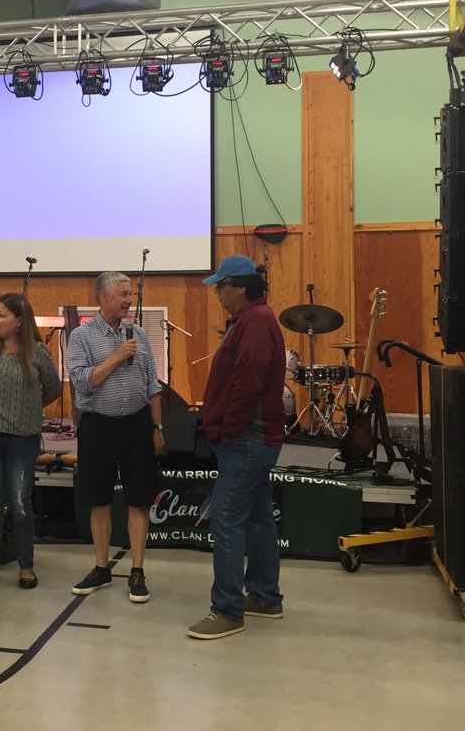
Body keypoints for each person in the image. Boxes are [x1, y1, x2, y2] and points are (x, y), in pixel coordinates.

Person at [188, 256, 287, 640]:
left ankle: (227, 610)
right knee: (258, 518)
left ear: (242, 287)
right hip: (252, 439)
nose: (217, 292)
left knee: (226, 517)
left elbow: (248, 381)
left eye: (223, 285)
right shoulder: (251, 319)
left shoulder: (255, 322)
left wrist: (227, 429)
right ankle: (264, 596)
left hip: (246, 440)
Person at [66, 271, 163, 604]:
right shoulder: (81, 337)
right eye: (122, 294)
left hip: (137, 425)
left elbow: (152, 384)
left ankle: (137, 570)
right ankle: (101, 567)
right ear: (102, 297)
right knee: (99, 499)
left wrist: (158, 427)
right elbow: (83, 382)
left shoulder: (138, 334)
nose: (128, 300)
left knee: (139, 499)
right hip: (98, 426)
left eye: (130, 294)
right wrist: (118, 356)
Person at [0, 293, 62, 589]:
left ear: (19, 321)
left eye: (2, 315)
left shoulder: (37, 351)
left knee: (21, 502)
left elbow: (54, 389)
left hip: (22, 438)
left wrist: (29, 408)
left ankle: (26, 565)